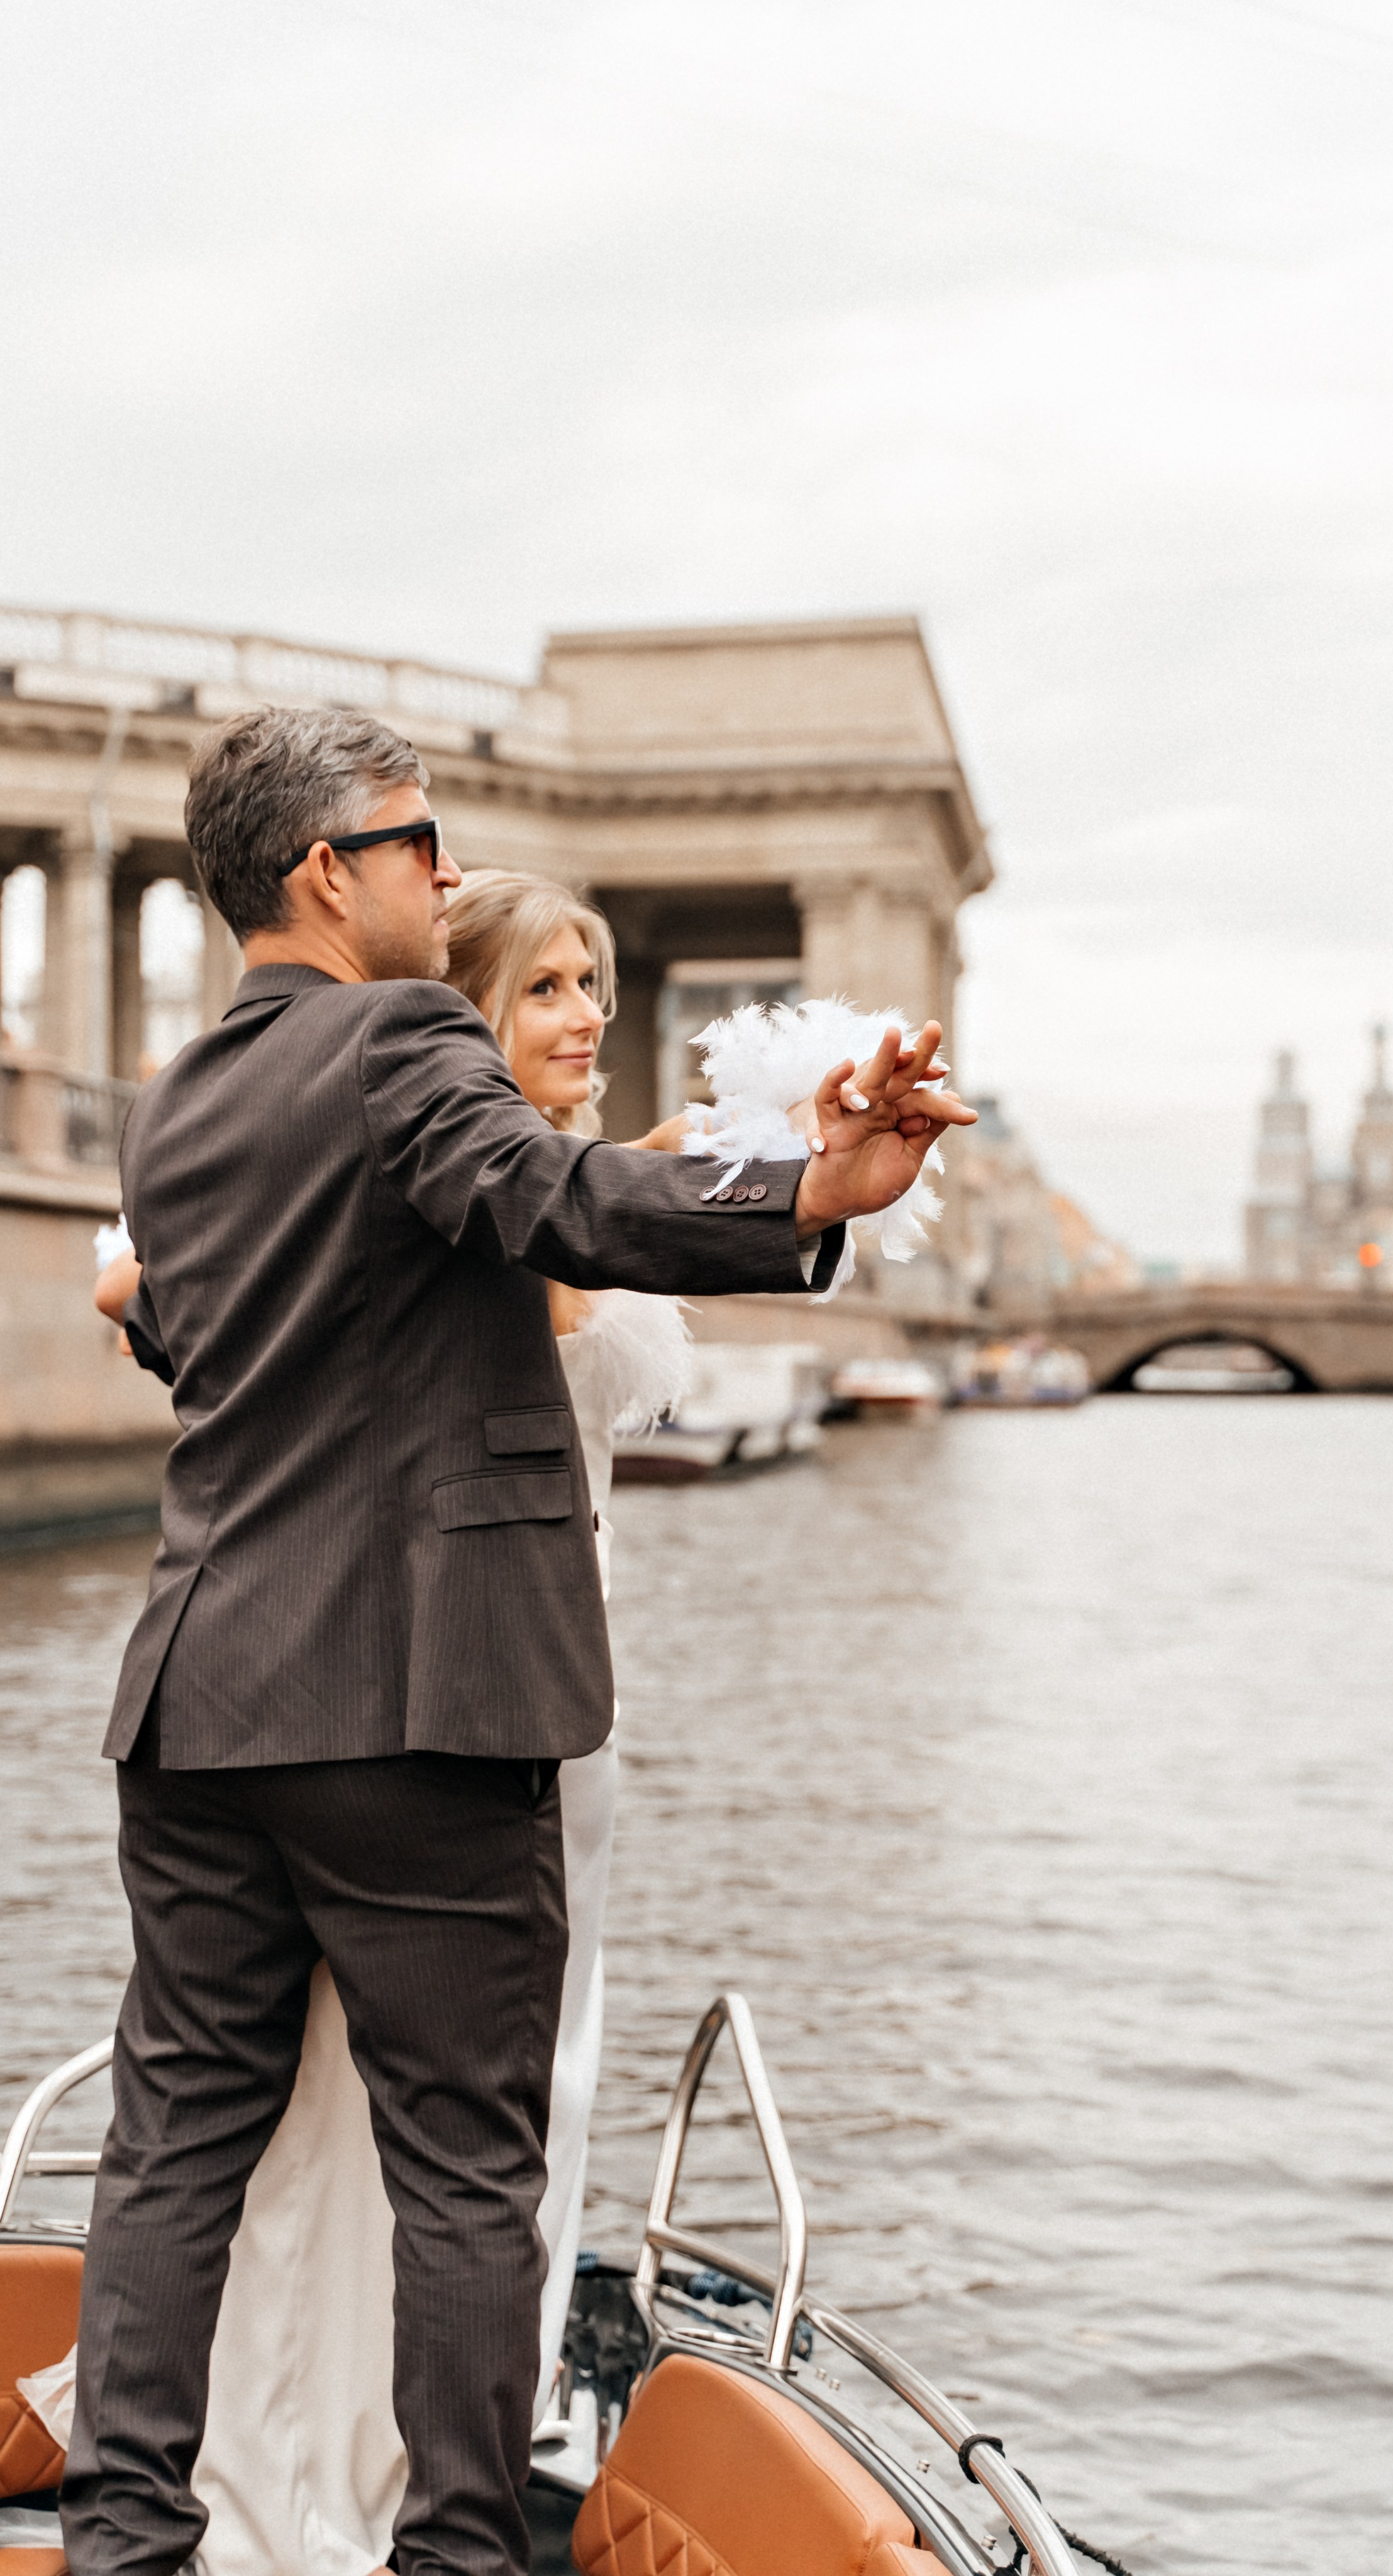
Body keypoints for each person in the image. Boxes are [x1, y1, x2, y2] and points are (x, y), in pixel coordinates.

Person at [62, 704, 972, 2576]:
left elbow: (244, 1334)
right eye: (419, 841)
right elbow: (552, 1193)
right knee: (471, 2171)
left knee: (173, 2152)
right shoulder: (400, 1037)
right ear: (328, 872)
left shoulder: (181, 1103)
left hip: (199, 1695)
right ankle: (459, 2559)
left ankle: (124, 2544)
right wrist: (806, 1191)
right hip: (419, 1709)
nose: (445, 869)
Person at [92, 863, 697, 2573]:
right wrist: (742, 1171)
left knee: (249, 2122)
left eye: (596, 981)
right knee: (444, 2146)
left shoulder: (403, 1171)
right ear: (456, 1023)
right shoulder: (477, 1191)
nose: (582, 1017)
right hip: (458, 1702)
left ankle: (172, 2510)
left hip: (430, 1685)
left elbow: (182, 1307)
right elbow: (562, 1234)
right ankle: (421, 2512)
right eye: (546, 990)